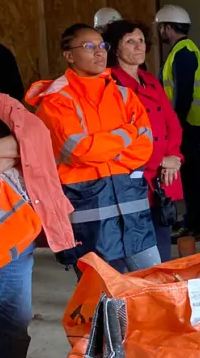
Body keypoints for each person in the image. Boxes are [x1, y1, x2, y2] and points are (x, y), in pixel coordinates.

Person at [26, 24, 160, 275]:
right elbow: (80, 151)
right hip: (89, 221)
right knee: (101, 301)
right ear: (69, 55)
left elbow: (146, 147)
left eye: (102, 46)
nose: (99, 53)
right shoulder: (56, 101)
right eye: (89, 47)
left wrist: (104, 149)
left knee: (153, 290)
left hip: (134, 216)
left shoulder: (123, 95)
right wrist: (128, 133)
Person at [0, 85, 75, 358]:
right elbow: (19, 148)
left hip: (11, 236)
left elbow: (33, 136)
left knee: (12, 325)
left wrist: (11, 150)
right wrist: (11, 151)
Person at [104, 19, 184, 264]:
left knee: (161, 245)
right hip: (133, 178)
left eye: (141, 41)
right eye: (130, 41)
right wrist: (161, 161)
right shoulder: (110, 84)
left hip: (162, 176)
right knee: (135, 248)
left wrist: (174, 159)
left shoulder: (150, 80)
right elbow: (118, 138)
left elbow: (172, 123)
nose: (139, 46)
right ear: (115, 49)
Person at [156, 3, 200, 240]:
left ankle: (193, 221)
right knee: (193, 171)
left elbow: (184, 93)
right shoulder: (184, 50)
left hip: (188, 123)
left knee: (190, 173)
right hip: (192, 121)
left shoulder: (183, 52)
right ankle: (197, 217)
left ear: (167, 28)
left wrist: (174, 126)